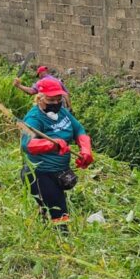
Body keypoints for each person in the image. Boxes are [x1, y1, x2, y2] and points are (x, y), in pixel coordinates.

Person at [20, 79, 94, 228]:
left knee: (53, 202)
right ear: (40, 98)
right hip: (40, 173)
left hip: (60, 170)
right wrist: (51, 144)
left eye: (58, 99)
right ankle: (63, 241)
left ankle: (43, 213)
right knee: (59, 210)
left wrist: (85, 150)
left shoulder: (62, 112)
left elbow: (78, 129)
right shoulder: (33, 118)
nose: (55, 103)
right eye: (50, 99)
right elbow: (26, 145)